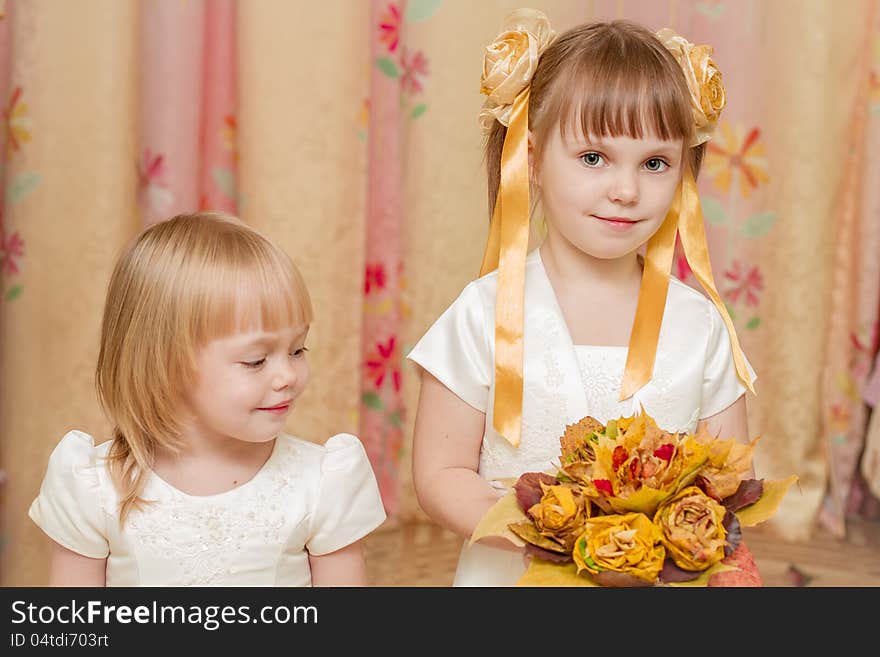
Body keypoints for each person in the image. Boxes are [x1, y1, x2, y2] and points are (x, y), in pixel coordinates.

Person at [408, 9, 761, 586]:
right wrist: (555, 540)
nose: (624, 190)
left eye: (654, 163)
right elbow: (440, 474)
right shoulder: (481, 315)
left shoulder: (700, 327)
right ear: (534, 158)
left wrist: (684, 541)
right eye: (593, 158)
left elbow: (730, 476)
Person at [28, 212, 387, 586]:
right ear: (165, 364)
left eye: (298, 350)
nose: (288, 376)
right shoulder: (95, 486)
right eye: (256, 360)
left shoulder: (322, 482)